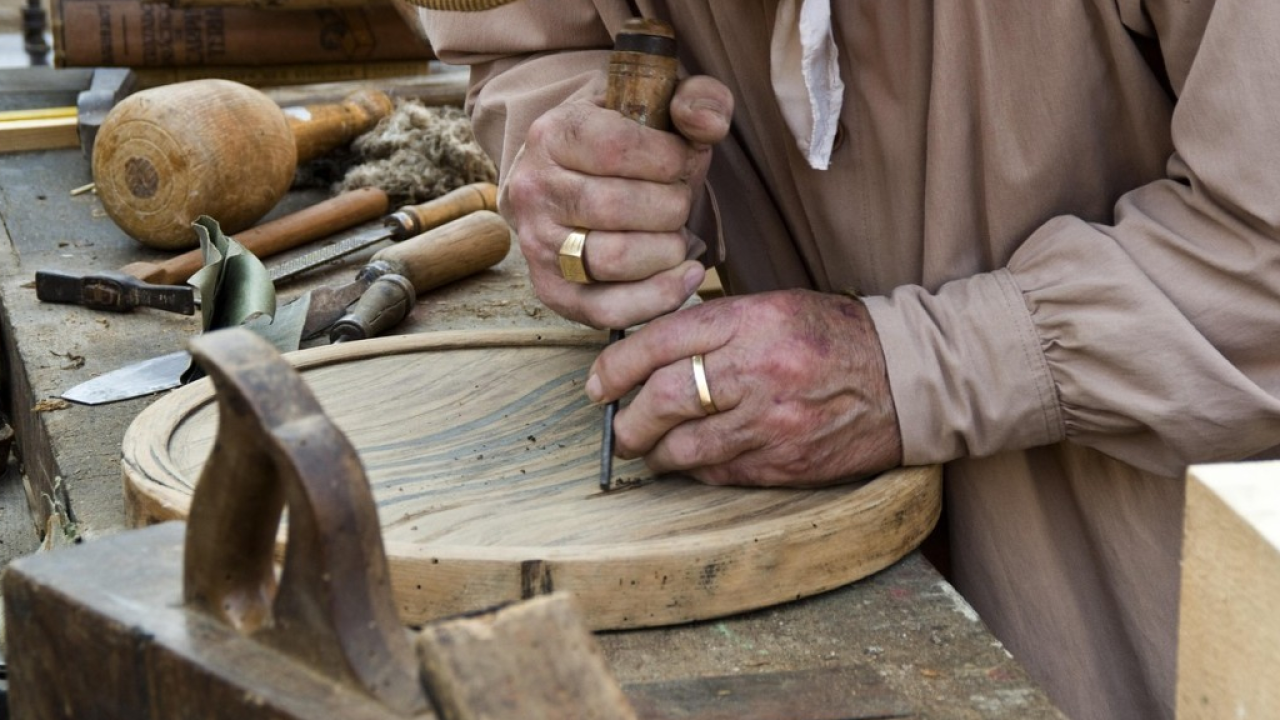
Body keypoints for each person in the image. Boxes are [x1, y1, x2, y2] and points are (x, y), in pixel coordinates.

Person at [402, 2, 1280, 718]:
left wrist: (914, 367)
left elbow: (1263, 256)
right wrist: (590, 168)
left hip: (1174, 592)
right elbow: (519, 36)